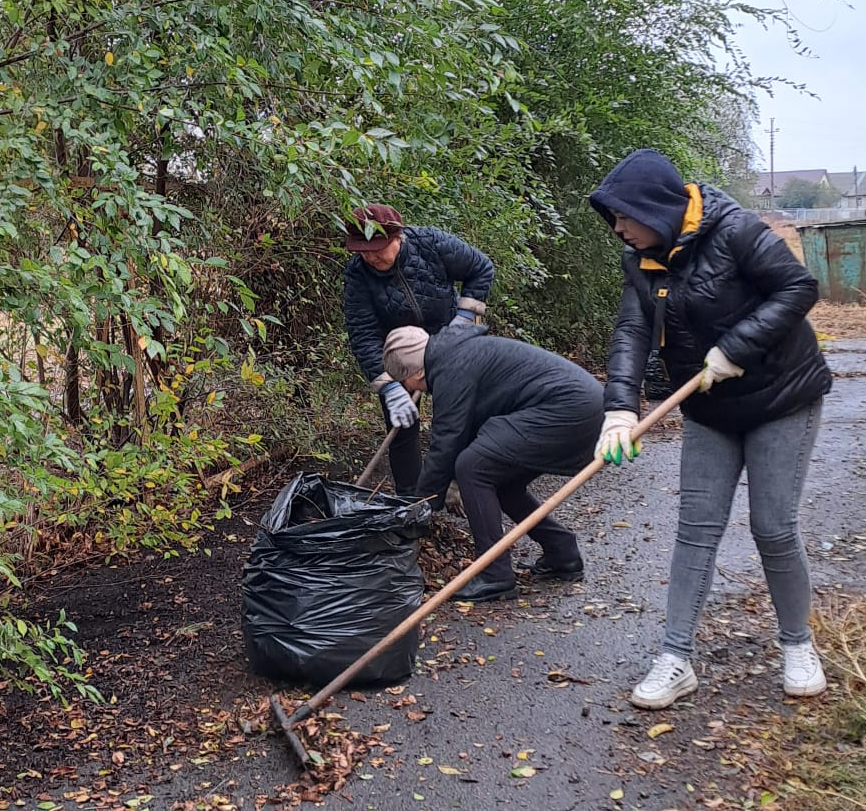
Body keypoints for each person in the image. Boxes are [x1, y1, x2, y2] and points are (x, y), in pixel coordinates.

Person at [589, 148, 833, 709]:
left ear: (657, 207)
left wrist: (735, 348)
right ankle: (675, 658)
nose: (618, 229)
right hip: (709, 408)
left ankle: (797, 644)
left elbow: (798, 288)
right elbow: (631, 329)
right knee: (696, 529)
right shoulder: (643, 258)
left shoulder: (737, 230)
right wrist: (620, 409)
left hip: (782, 398)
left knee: (772, 528)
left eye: (624, 216)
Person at [381, 323, 603, 602]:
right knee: (499, 480)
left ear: (416, 372)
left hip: (568, 409)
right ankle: (562, 551)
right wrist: (435, 492)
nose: (408, 388)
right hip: (582, 404)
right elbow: (464, 430)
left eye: (404, 382)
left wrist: (420, 506)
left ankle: (494, 574)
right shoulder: (454, 353)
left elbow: (446, 440)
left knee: (472, 468)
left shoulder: (451, 368)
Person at [342, 205, 495, 496]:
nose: (370, 257)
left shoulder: (430, 243)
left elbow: (481, 268)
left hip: (449, 343)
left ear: (397, 237)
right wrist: (388, 387)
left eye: (377, 248)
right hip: (399, 354)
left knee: (456, 416)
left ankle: (459, 483)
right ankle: (410, 500)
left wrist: (464, 318)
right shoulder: (358, 275)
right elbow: (363, 334)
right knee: (400, 425)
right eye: (362, 250)